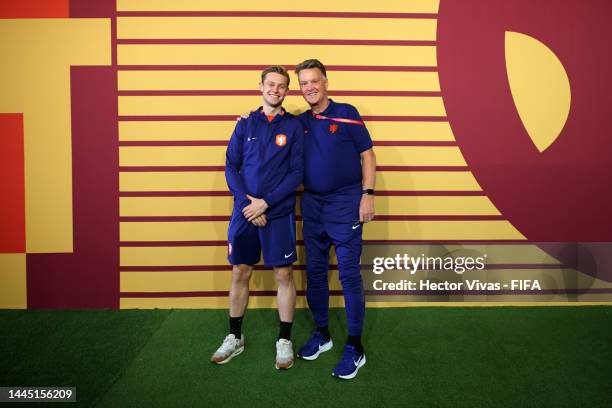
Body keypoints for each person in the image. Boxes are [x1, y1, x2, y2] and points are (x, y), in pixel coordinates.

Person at [210, 66, 304, 370]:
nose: (275, 90)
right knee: (239, 272)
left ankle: (284, 340)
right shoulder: (244, 125)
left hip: (277, 213)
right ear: (261, 87)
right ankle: (235, 337)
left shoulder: (293, 127)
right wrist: (247, 204)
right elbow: (230, 166)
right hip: (244, 212)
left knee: (283, 275)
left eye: (281, 86)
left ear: (287, 91)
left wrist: (266, 204)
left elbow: (297, 173)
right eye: (270, 84)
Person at [294, 59, 376, 380]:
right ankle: (323, 334)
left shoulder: (348, 113)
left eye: (314, 81)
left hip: (345, 204)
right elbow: (270, 124)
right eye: (303, 83)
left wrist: (367, 193)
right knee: (314, 274)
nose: (310, 87)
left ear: (326, 81)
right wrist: (251, 117)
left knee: (349, 275)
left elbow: (367, 154)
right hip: (312, 205)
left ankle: (355, 347)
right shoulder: (299, 122)